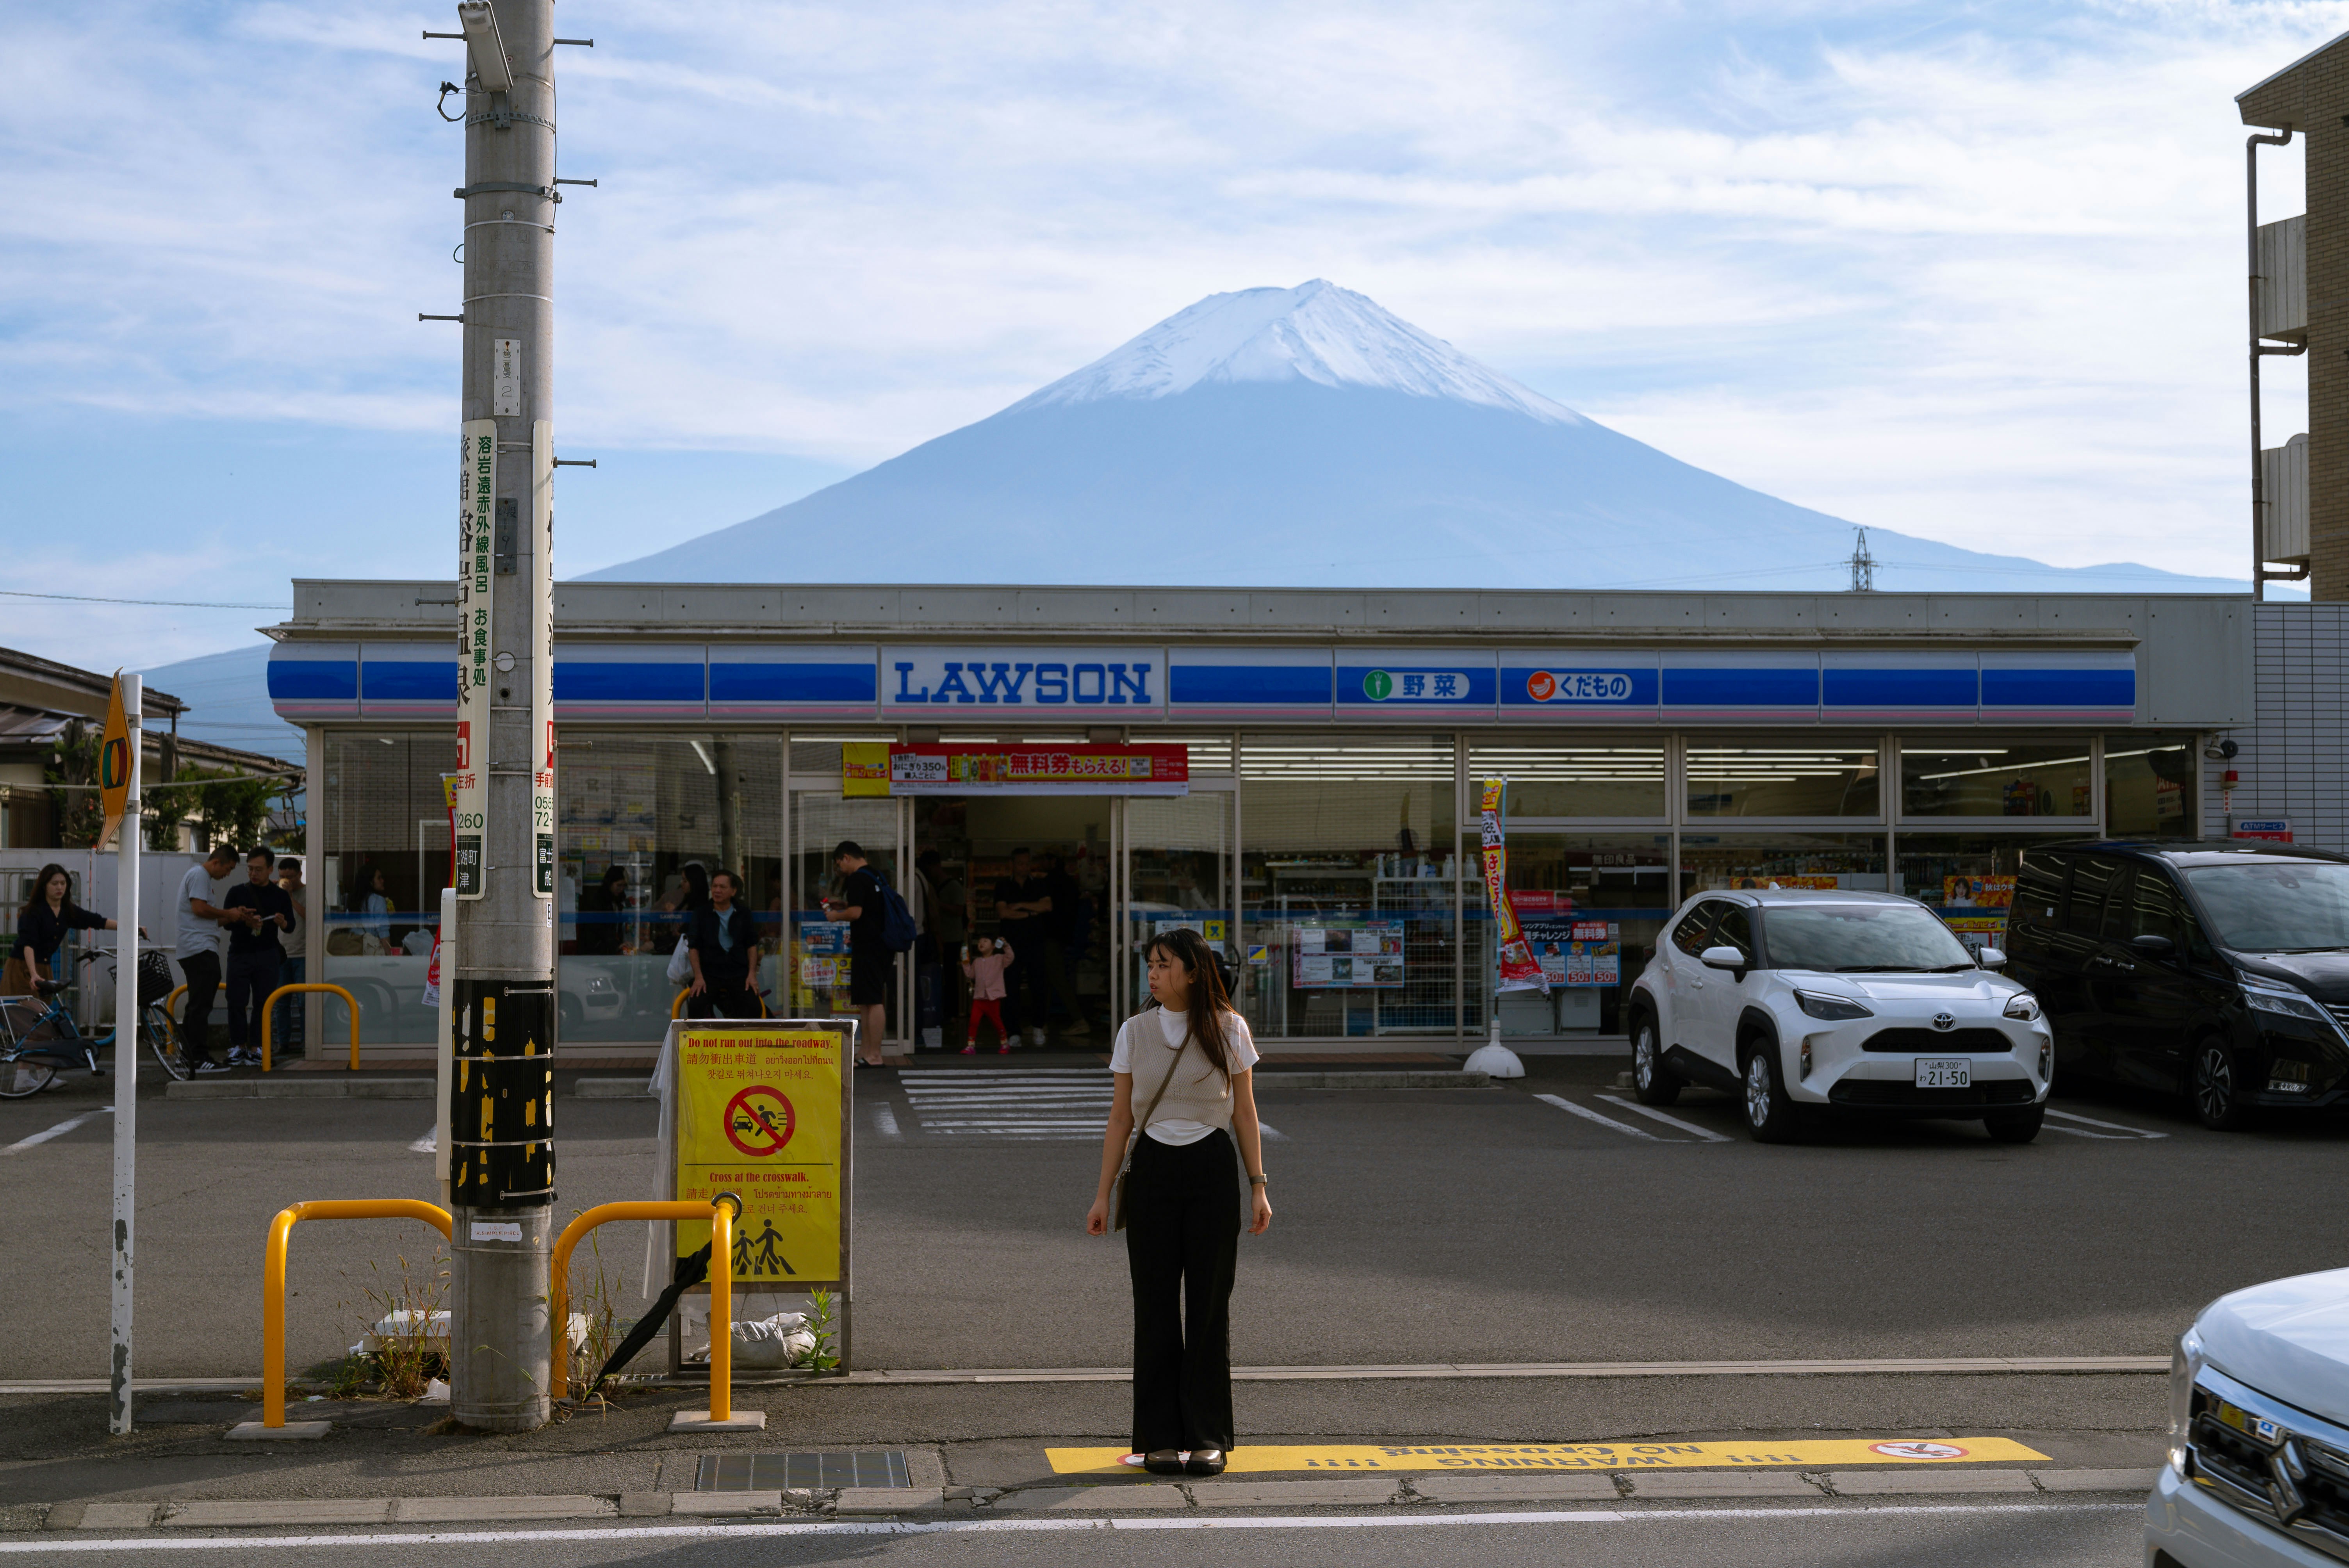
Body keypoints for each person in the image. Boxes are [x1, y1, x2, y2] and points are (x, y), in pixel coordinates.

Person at [1086, 927, 1271, 1478]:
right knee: (1156, 1306)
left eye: (1165, 964)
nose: (1154, 973)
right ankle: (1160, 1439)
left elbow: (1244, 1113)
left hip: (1213, 1169)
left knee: (1210, 1308)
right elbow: (1121, 1118)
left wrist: (1259, 1185)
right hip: (1151, 1173)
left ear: (1193, 971)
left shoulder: (1229, 1028)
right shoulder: (1134, 1032)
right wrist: (1102, 1195)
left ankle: (1208, 1437)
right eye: (1151, 964)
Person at [10, 864, 132, 1007]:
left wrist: (131, 928)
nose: (60, 888)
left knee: (43, 1017)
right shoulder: (33, 912)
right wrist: (33, 974)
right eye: (55, 884)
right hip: (23, 969)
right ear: (44, 886)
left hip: (44, 968)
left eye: (63, 883)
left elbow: (95, 920)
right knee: (35, 1016)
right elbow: (28, 945)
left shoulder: (67, 910)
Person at [222, 848, 295, 1068]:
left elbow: (290, 926)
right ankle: (238, 1047)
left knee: (264, 1002)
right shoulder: (237, 892)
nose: (254, 874)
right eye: (250, 869)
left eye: (259, 870)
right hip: (240, 952)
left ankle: (257, 1047)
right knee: (236, 1000)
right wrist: (244, 920)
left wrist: (282, 923)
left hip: (267, 953)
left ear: (271, 869)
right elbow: (226, 923)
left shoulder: (280, 895)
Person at [821, 841, 891, 1069]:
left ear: (846, 858)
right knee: (866, 1001)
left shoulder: (858, 879)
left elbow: (857, 912)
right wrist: (845, 904)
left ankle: (875, 1055)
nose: (840, 868)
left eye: (839, 863)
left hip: (869, 945)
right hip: (878, 945)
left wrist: (836, 915)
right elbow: (868, 907)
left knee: (873, 1000)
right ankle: (866, 1051)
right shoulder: (875, 875)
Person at [176, 847, 239, 1074]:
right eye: (229, 868)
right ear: (218, 862)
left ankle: (188, 1055)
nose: (228, 874)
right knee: (200, 1006)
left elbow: (205, 917)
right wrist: (227, 914)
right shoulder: (199, 875)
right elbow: (199, 909)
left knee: (198, 1005)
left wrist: (233, 916)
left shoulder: (199, 877)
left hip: (197, 948)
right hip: (199, 949)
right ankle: (197, 1057)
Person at [992, 848, 1050, 1046]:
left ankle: (1038, 1028)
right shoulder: (1002, 886)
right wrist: (1030, 913)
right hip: (1011, 945)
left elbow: (1047, 906)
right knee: (1011, 987)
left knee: (1039, 986)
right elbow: (1003, 913)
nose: (1024, 867)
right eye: (1020, 863)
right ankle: (1013, 1031)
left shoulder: (1040, 884)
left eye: (1027, 863)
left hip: (1035, 942)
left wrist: (1018, 905)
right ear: (1013, 864)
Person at [685, 870, 761, 1019]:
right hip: (709, 972)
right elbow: (694, 947)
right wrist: (698, 977)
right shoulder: (701, 913)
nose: (717, 891)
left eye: (722, 887)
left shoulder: (743, 913)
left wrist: (752, 974)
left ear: (733, 891)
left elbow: (751, 945)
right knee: (696, 1007)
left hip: (738, 972)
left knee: (754, 1008)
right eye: (714, 886)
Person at [272, 857, 308, 1054]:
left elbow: (310, 916)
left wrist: (290, 898)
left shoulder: (309, 892)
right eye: (282, 877)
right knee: (281, 1002)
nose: (286, 880)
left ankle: (306, 1043)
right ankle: (282, 1043)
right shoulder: (276, 894)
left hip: (303, 954)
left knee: (304, 1002)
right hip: (282, 954)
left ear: (300, 875)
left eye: (290, 877)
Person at [961, 935, 1014, 1054]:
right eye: (980, 942)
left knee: (997, 1022)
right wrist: (965, 963)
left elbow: (1010, 957)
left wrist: (1006, 946)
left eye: (985, 941)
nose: (981, 943)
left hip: (993, 998)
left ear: (993, 946)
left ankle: (1004, 1043)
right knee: (974, 1021)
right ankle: (970, 1046)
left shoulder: (999, 959)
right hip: (979, 998)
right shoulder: (977, 961)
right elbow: (971, 974)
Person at [576, 866, 630, 956]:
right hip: (595, 950)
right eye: (619, 885)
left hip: (609, 949)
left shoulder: (618, 901)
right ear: (610, 883)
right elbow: (601, 929)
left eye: (624, 886)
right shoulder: (599, 901)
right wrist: (616, 945)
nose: (621, 889)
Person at [351, 866, 393, 952]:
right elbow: (383, 932)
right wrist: (389, 958)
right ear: (370, 882)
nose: (383, 881)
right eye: (379, 878)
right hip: (372, 955)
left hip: (355, 952)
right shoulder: (378, 901)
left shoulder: (353, 902)